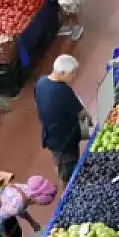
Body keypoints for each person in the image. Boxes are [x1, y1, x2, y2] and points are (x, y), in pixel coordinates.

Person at [33, 54, 90, 183]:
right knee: (69, 171)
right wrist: (90, 122)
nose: (74, 76)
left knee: (59, 162)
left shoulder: (40, 83)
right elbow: (82, 113)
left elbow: (38, 103)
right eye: (73, 73)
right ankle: (68, 188)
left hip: (50, 136)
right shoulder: (62, 91)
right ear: (63, 73)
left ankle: (61, 172)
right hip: (65, 140)